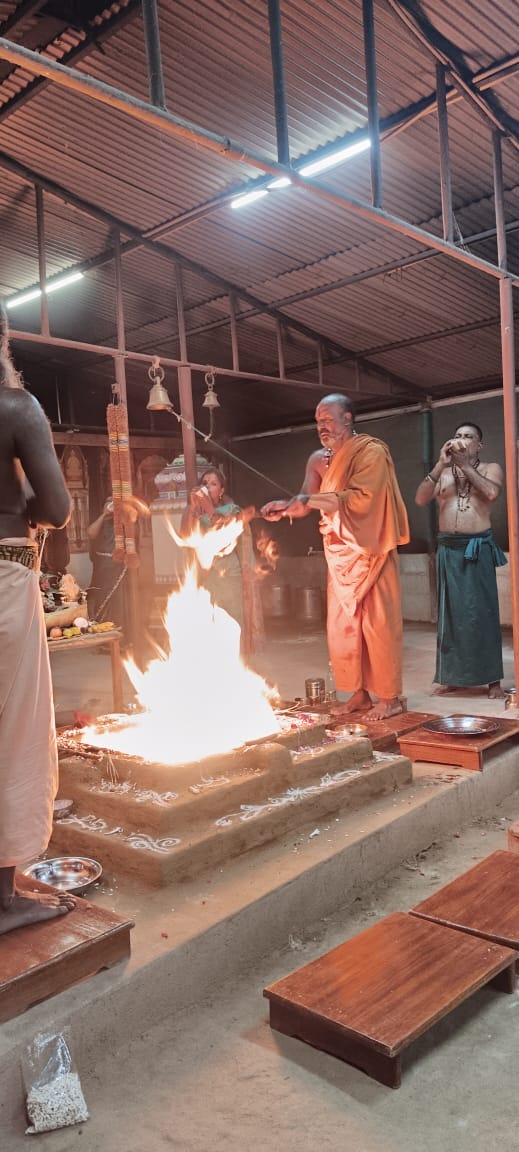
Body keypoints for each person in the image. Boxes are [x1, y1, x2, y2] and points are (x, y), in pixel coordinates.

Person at [261, 394, 409, 720]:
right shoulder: (317, 459)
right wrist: (286, 506)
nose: (322, 426)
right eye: (318, 421)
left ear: (348, 418)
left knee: (377, 624)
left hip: (370, 548)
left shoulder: (371, 452)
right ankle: (358, 694)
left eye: (328, 419)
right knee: (343, 627)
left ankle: (389, 697)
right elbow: (307, 500)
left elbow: (363, 499)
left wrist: (311, 500)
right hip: (339, 554)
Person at [0, 301, 75, 934]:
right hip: (2, 577)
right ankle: (3, 899)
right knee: (13, 734)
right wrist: (22, 493)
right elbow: (56, 507)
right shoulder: (16, 408)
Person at [415, 422, 506, 698]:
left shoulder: (490, 468)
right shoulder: (443, 472)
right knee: (450, 617)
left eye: (468, 437)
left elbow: (491, 493)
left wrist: (466, 465)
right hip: (449, 549)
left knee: (483, 615)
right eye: (457, 436)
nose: (462, 440)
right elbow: (420, 499)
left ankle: (492, 681)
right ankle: (452, 677)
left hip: (476, 548)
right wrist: (439, 465)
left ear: (479, 444)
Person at [180, 466, 264, 657]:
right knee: (207, 621)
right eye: (205, 484)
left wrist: (207, 507)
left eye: (213, 484)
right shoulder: (193, 511)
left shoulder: (231, 510)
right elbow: (185, 536)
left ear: (221, 491)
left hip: (229, 573)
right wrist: (193, 507)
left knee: (232, 621)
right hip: (205, 575)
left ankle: (238, 664)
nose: (208, 487)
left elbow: (223, 527)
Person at [87, 496, 141, 640]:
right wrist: (105, 514)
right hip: (103, 567)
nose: (112, 506)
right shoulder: (103, 521)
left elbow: (134, 534)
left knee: (120, 603)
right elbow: (91, 533)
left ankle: (122, 639)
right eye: (108, 503)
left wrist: (123, 516)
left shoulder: (126, 521)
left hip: (119, 568)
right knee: (102, 601)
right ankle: (103, 638)